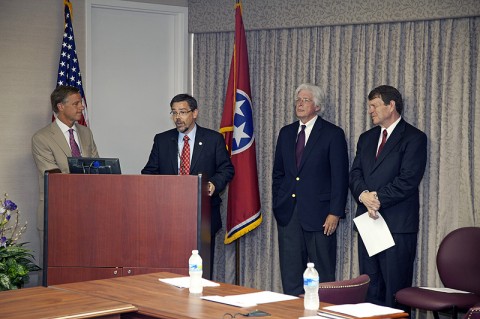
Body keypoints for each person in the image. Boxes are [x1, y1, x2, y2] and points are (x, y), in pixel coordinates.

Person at [349, 85, 427, 308]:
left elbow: (408, 180)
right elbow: (355, 173)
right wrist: (363, 195)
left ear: (391, 105)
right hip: (368, 223)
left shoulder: (414, 137)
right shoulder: (366, 138)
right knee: (370, 289)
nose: (370, 111)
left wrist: (377, 199)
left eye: (374, 106)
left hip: (397, 225)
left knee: (395, 292)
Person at [141, 93, 234, 274]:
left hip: (203, 215)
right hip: (168, 216)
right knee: (171, 268)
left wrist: (214, 184)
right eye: (174, 113)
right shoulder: (161, 140)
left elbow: (227, 169)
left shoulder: (213, 139)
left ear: (195, 113)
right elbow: (149, 172)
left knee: (201, 271)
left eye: (182, 112)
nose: (177, 118)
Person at [272, 83, 349, 296]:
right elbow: (278, 174)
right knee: (290, 275)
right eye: (298, 99)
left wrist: (335, 212)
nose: (300, 103)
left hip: (321, 216)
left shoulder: (333, 134)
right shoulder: (286, 133)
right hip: (289, 214)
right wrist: (279, 203)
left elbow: (340, 177)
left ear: (317, 106)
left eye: (306, 100)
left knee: (322, 276)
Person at [32, 85, 99, 252]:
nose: (81, 107)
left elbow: (98, 167)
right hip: (57, 213)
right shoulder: (42, 138)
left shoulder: (86, 133)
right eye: (76, 103)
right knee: (55, 268)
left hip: (87, 212)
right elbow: (55, 177)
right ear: (60, 107)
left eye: (81, 103)